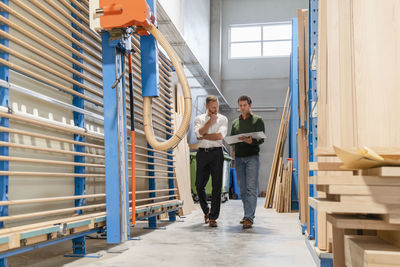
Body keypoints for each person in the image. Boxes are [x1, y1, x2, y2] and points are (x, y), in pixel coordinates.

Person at [230, 95, 265, 229]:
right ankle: (247, 215)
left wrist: (252, 141)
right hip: (239, 158)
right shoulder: (235, 122)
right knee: (243, 189)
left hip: (252, 158)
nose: (242, 108)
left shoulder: (258, 120)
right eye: (240, 106)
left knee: (251, 188)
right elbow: (232, 139)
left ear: (250, 105)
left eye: (245, 105)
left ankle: (249, 217)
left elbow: (261, 138)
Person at [193, 95, 228, 227]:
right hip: (202, 153)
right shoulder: (199, 119)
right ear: (207, 106)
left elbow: (220, 136)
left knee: (216, 186)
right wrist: (210, 123)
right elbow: (198, 134)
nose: (216, 109)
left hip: (217, 154)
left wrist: (204, 135)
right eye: (213, 107)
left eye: (217, 106)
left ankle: (213, 217)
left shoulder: (223, 119)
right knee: (199, 185)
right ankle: (206, 211)